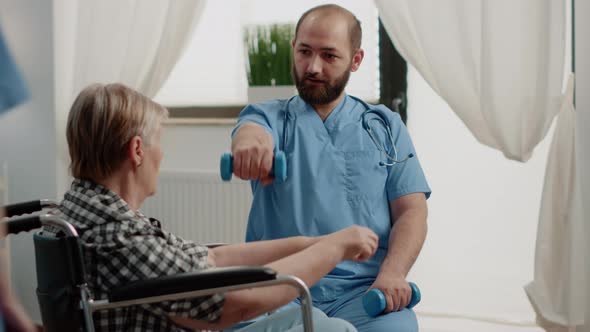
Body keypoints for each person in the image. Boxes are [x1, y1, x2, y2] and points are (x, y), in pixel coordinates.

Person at [47, 82, 379, 332]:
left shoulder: (88, 210)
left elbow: (214, 258)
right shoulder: (116, 234)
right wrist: (335, 249)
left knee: (316, 319)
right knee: (335, 329)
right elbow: (237, 305)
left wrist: (315, 243)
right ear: (137, 150)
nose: (161, 153)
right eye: (158, 140)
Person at [230, 4, 431, 332]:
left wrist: (392, 274)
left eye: (329, 56)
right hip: (281, 288)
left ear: (356, 60)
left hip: (361, 293)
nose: (312, 67)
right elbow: (250, 134)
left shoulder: (384, 126)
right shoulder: (267, 117)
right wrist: (251, 146)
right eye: (304, 51)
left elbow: (411, 211)